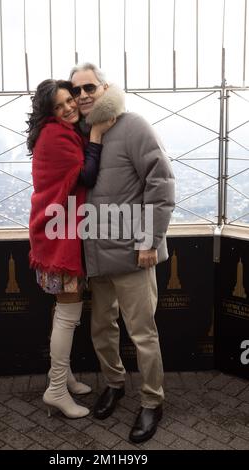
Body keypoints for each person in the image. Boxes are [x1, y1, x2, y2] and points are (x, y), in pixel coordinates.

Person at [70, 63, 175, 442]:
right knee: (102, 330)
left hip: (133, 255)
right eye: (76, 89)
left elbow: (161, 184)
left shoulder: (135, 126)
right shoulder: (81, 135)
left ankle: (152, 402)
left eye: (89, 87)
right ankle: (114, 385)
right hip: (97, 256)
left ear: (105, 88)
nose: (82, 95)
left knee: (143, 334)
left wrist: (148, 241)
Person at [27, 79, 114, 419]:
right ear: (49, 111)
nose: (68, 107)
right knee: (67, 315)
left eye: (70, 100)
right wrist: (95, 135)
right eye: (59, 104)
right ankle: (56, 389)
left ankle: (61, 376)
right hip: (58, 239)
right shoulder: (57, 135)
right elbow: (87, 175)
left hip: (53, 234)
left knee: (63, 314)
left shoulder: (54, 133)